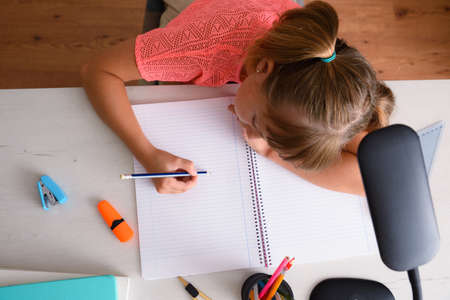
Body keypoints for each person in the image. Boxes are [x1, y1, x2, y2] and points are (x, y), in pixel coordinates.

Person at [80, 0, 394, 196]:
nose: (253, 133)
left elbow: (371, 178)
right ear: (263, 67)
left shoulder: (333, 83)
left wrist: (271, 152)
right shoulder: (199, 48)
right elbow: (98, 71)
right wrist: (147, 154)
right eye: (257, 122)